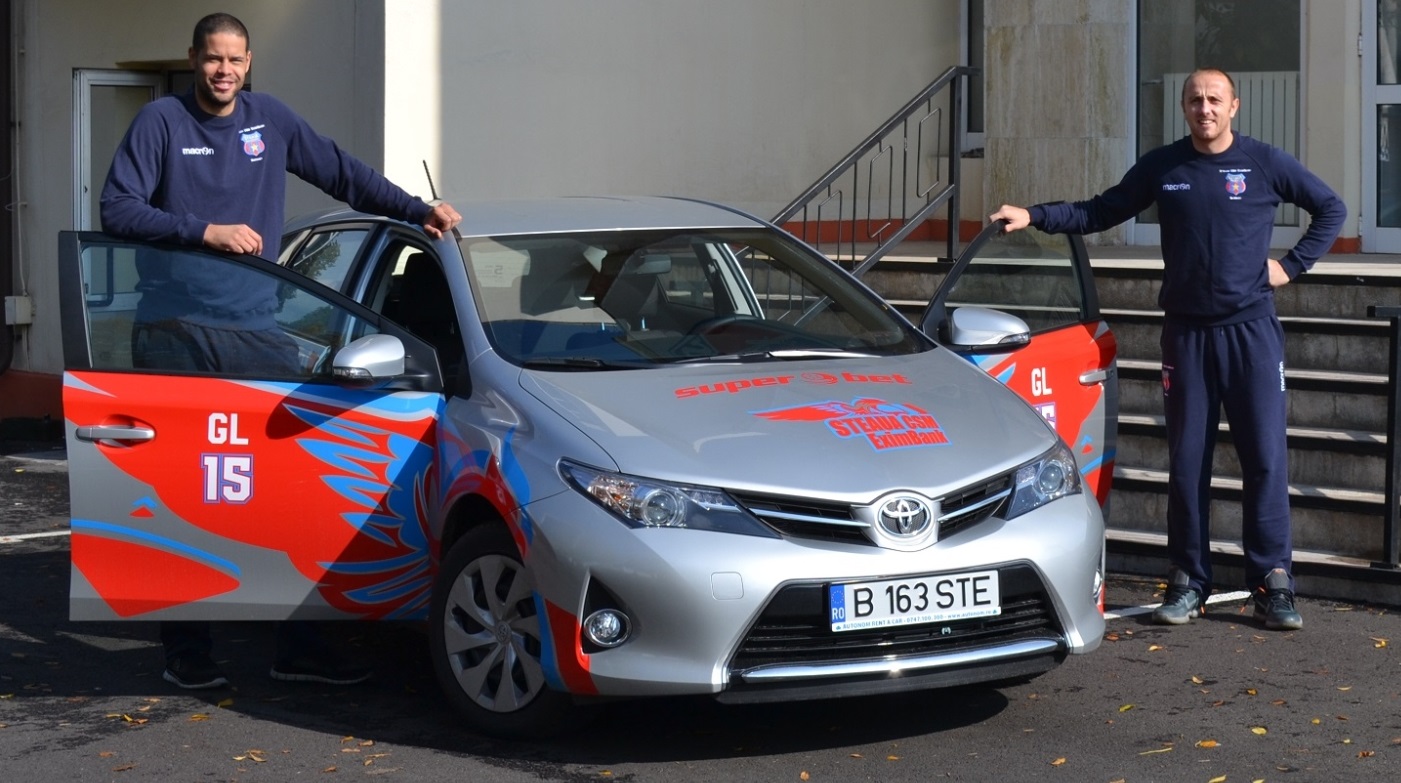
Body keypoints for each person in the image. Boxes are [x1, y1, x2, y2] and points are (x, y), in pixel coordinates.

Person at [99, 11, 462, 689]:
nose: (224, 71)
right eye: (212, 59)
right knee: (185, 492)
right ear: (192, 58)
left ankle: (296, 645)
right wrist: (204, 230)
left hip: (255, 331)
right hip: (174, 332)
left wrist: (419, 210)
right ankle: (188, 648)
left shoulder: (270, 121)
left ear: (249, 62)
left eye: (235, 60)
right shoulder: (161, 124)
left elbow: (344, 174)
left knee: (283, 490)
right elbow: (116, 210)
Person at [990, 68, 1345, 632]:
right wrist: (1035, 215)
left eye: (1214, 100)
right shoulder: (1166, 166)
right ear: (1184, 108)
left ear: (1234, 106)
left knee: (1266, 462)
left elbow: (1331, 209)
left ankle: (1272, 582)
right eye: (1194, 100)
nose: (1204, 108)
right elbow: (1100, 210)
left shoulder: (1264, 162)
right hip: (1187, 335)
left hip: (1252, 334)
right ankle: (1188, 581)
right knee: (1185, 466)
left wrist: (1290, 266)